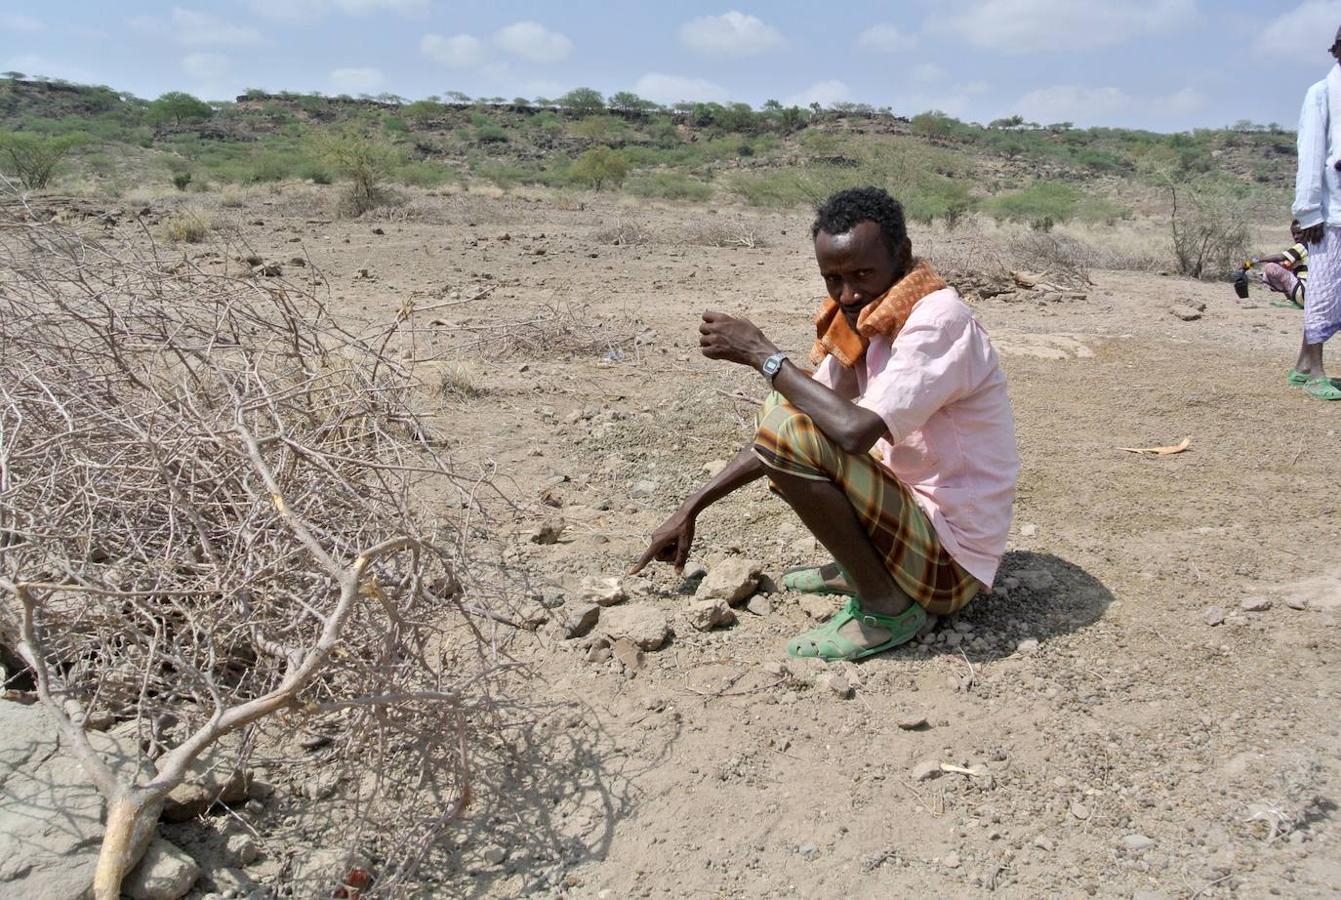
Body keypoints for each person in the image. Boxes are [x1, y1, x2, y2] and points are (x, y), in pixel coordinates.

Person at [631, 187, 1019, 661]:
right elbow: (799, 419)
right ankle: (867, 570)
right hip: (915, 526)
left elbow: (851, 431)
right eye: (833, 279)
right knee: (786, 417)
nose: (847, 294)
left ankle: (886, 605)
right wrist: (692, 508)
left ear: (902, 255)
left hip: (952, 566)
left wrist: (763, 355)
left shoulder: (938, 321)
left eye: (861, 275)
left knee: (790, 424)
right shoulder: (870, 316)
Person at [1289, 26, 1341, 399]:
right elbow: (1310, 155)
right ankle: (1317, 370)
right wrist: (1308, 213)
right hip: (1329, 215)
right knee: (1324, 290)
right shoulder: (1321, 93)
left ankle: (1302, 364)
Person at [1251, 220, 1308, 310]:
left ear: (1308, 232)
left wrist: (1256, 260)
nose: (1296, 237)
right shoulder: (1318, 247)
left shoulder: (1302, 246)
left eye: (1299, 233)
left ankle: (1292, 300)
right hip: (1318, 296)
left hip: (1304, 294)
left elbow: (1281, 257)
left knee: (1271, 267)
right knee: (1287, 265)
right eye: (1293, 234)